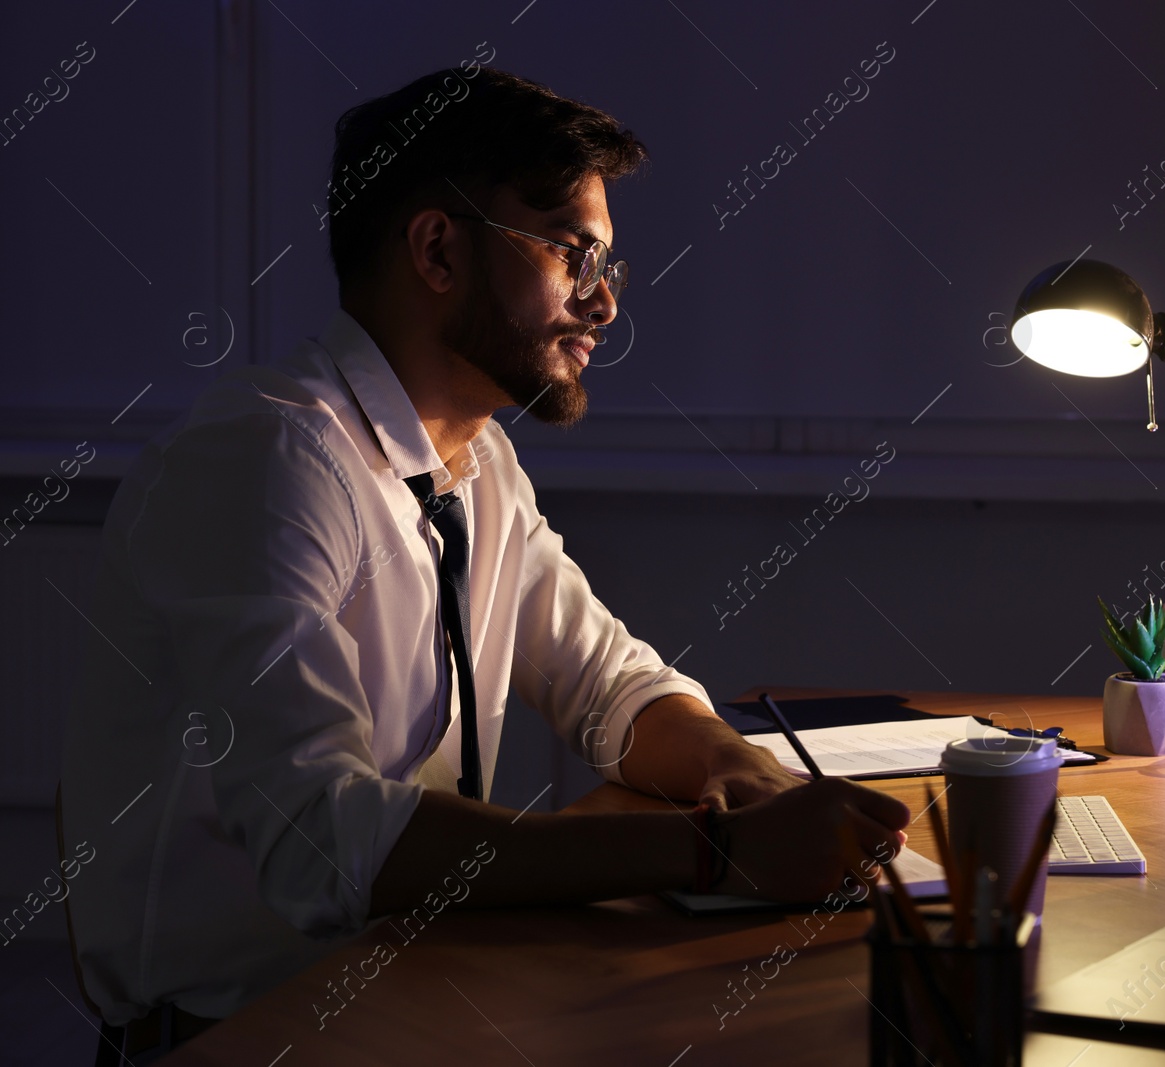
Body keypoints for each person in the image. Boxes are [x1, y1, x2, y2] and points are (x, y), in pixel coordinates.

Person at [59, 65, 908, 1059]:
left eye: (608, 269)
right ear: (436, 248)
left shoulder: (477, 462)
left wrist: (740, 770)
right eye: (572, 255)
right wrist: (717, 850)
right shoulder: (268, 458)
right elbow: (323, 848)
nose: (602, 308)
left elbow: (609, 684)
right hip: (248, 1038)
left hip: (407, 1005)